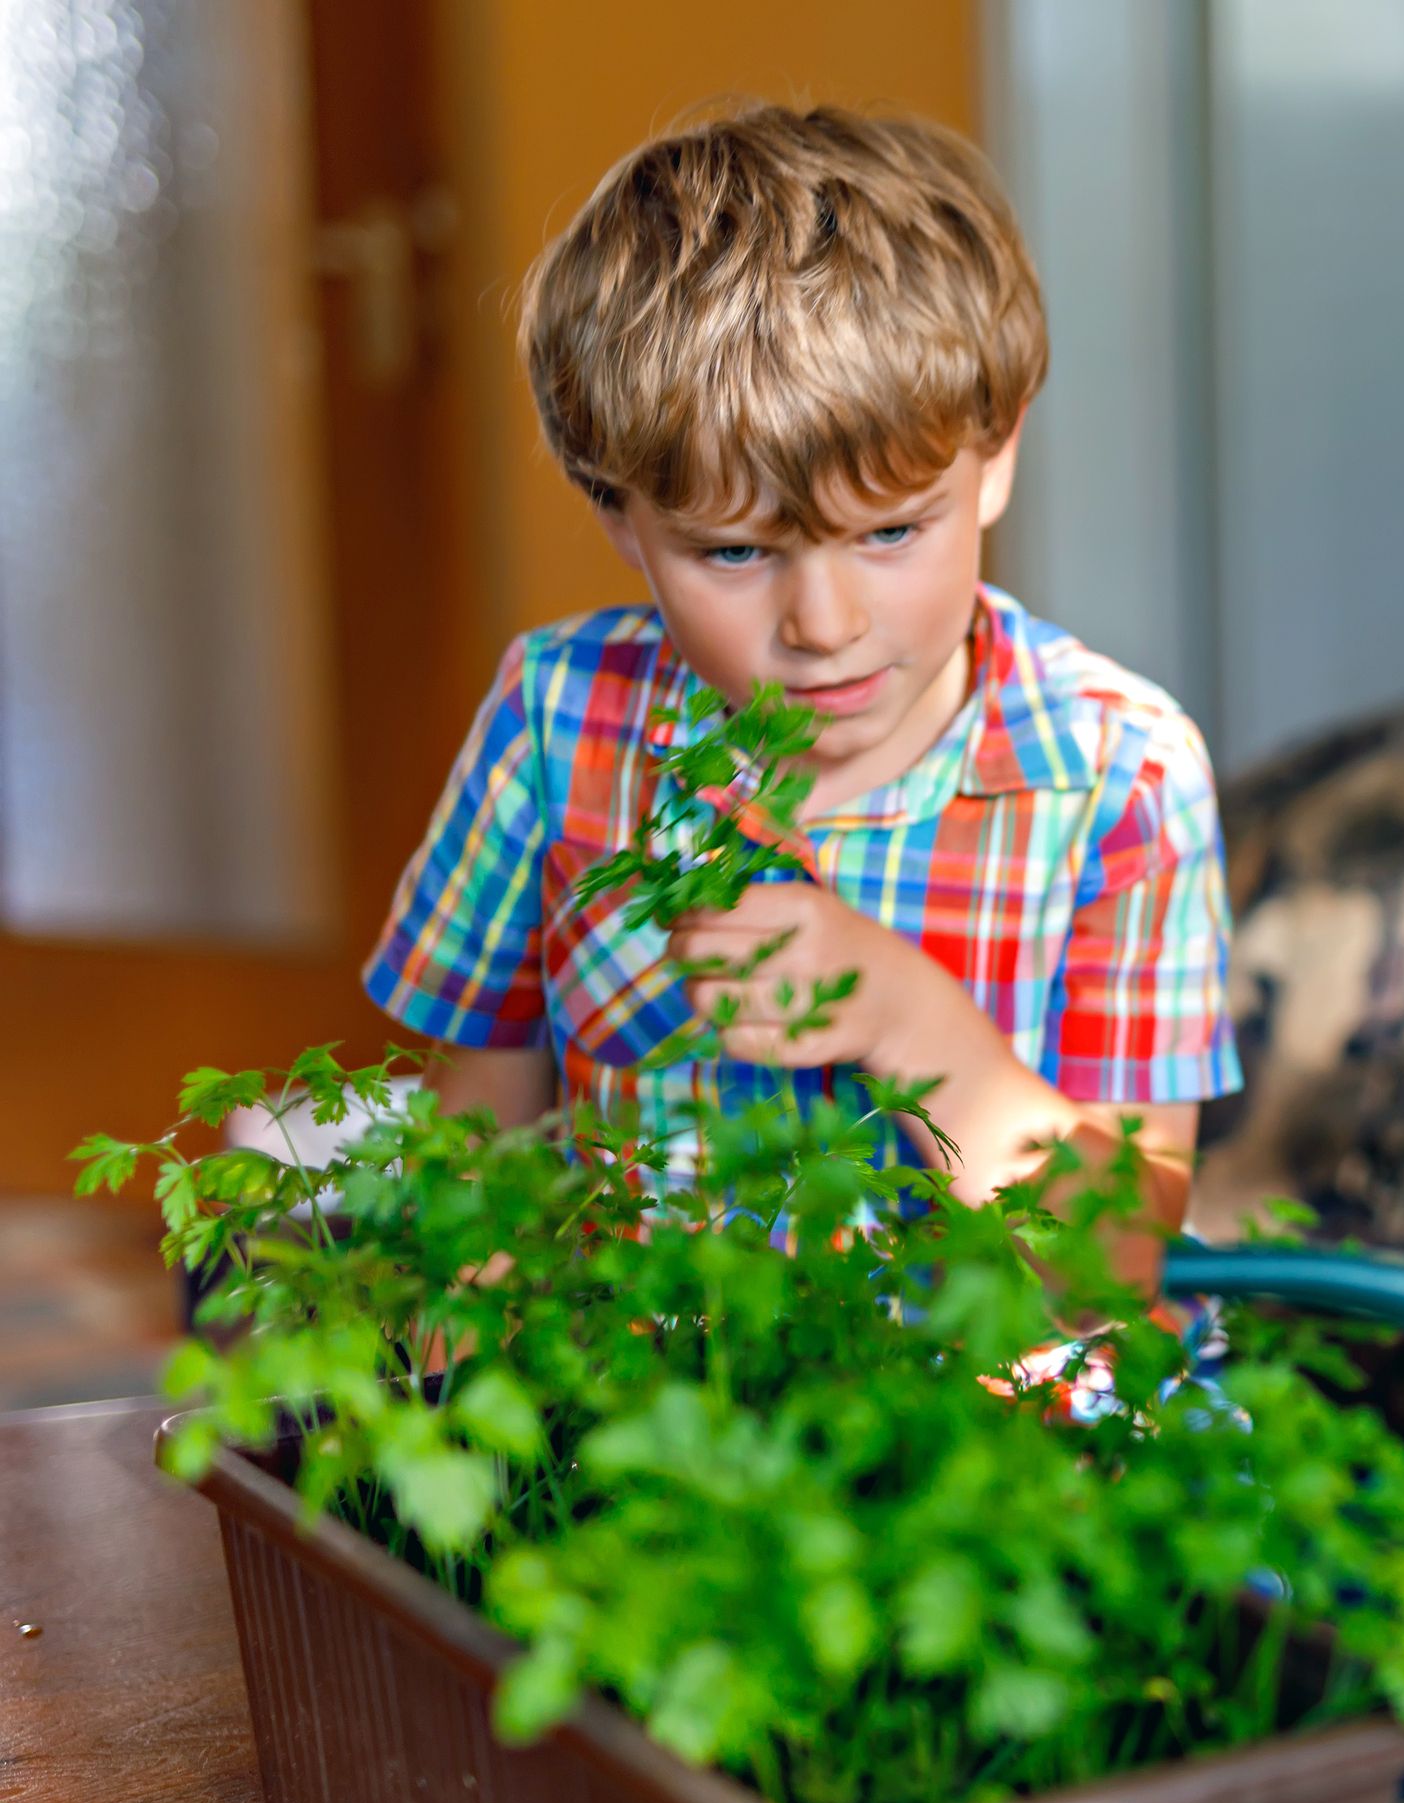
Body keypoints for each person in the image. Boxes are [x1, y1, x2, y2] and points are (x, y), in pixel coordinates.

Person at [363, 105, 1237, 1234]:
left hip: (997, 1410)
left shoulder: (1125, 776)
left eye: (890, 534)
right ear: (621, 516)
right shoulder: (553, 722)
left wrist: (904, 1017)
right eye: (736, 552)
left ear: (998, 455)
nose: (822, 625)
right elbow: (478, 1156)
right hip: (654, 1399)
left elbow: (1114, 1263)